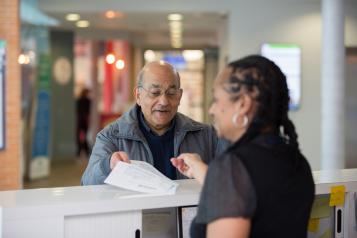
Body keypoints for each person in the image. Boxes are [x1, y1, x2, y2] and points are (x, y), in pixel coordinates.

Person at [171, 55, 315, 238]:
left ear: (243, 105)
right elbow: (253, 193)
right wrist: (201, 170)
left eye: (216, 99)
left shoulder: (231, 167)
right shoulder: (297, 161)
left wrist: (217, 174)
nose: (211, 110)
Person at [81, 61, 225, 185]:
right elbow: (87, 183)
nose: (163, 102)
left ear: (180, 96)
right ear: (138, 95)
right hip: (137, 216)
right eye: (155, 93)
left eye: (171, 93)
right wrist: (107, 165)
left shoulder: (206, 135)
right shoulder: (112, 136)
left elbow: (231, 179)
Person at [76, 88, 91, 158]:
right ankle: (86, 150)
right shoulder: (88, 101)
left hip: (79, 120)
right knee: (84, 136)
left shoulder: (78, 100)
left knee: (79, 137)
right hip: (84, 120)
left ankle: (80, 151)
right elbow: (87, 112)